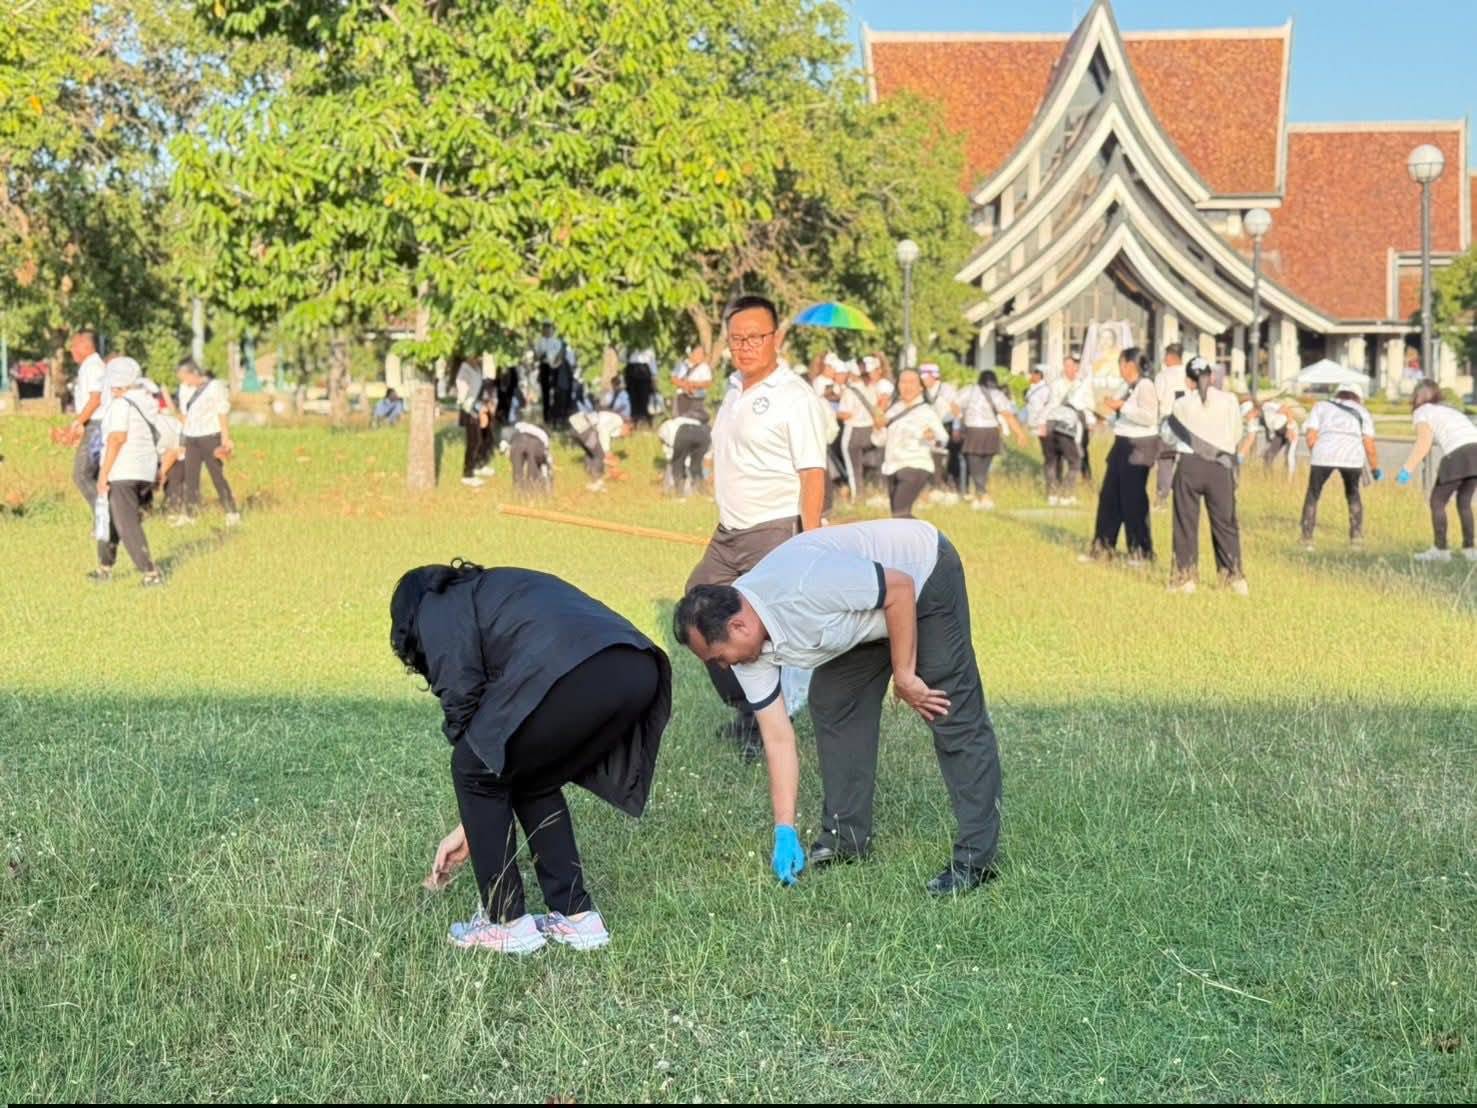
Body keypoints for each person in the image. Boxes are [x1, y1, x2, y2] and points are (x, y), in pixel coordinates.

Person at [674, 519, 1003, 895]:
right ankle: (845, 841)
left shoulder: (803, 585)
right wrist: (784, 830)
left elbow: (899, 588)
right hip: (863, 615)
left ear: (739, 626)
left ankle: (976, 861)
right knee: (834, 702)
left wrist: (905, 674)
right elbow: (778, 738)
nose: (723, 667)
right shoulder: (746, 648)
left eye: (719, 658)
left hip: (921, 579)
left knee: (948, 709)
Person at [393, 562, 671, 954]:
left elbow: (465, 705)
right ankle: (577, 917)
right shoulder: (488, 589)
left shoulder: (436, 605)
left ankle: (505, 921)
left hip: (577, 667)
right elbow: (503, 754)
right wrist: (474, 824)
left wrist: (476, 812)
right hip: (637, 668)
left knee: (470, 766)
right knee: (530, 776)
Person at [684, 294, 828, 759]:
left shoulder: (794, 397)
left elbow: (812, 472)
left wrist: (810, 541)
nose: (745, 347)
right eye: (737, 339)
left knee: (757, 631)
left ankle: (769, 725)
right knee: (697, 613)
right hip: (729, 531)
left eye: (755, 337)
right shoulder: (732, 389)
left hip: (774, 530)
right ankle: (748, 707)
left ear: (776, 338)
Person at [1164, 356, 1247, 595]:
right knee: (1225, 523)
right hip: (1220, 466)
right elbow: (1236, 433)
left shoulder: (1181, 403)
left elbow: (1169, 437)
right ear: (1211, 377)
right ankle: (1233, 577)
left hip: (1189, 465)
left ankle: (1185, 577)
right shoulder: (1229, 400)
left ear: (1189, 381)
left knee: (1185, 523)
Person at [1084, 347, 1159, 563]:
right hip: (1122, 443)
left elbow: (1149, 417)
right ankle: (1103, 547)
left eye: (1121, 364)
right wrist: (1106, 413)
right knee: (1109, 497)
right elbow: (1125, 417)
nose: (1120, 369)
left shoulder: (1146, 385)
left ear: (1129, 365)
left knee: (1133, 500)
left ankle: (1141, 551)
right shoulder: (1127, 387)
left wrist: (1122, 406)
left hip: (1138, 447)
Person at [93, 358, 164, 587]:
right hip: (145, 469)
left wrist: (103, 474)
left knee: (126, 524)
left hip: (123, 469)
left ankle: (151, 574)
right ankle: (105, 567)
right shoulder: (147, 401)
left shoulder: (121, 404)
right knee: (113, 519)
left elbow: (117, 438)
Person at [1397, 379, 1477, 562]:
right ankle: (1470, 550)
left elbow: (1423, 443)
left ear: (1418, 396)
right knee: (1464, 502)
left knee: (1437, 501)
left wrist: (1407, 469)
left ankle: (1440, 550)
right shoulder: (1450, 409)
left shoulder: (1422, 411)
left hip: (1458, 453)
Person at [1300, 382, 1380, 551]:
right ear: (1358, 397)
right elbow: (1369, 444)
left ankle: (1307, 540)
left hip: (1323, 454)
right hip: (1352, 457)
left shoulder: (1321, 406)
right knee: (1353, 495)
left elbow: (1311, 435)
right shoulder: (1362, 411)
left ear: (1338, 394)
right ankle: (1356, 540)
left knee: (1313, 495)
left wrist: (1317, 453)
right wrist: (1375, 469)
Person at [175, 358, 241, 526]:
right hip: (191, 437)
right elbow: (184, 416)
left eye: (185, 377)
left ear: (194, 373)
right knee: (190, 478)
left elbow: (222, 412)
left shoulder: (215, 387)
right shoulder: (184, 389)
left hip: (210, 436)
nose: (185, 382)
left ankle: (231, 512)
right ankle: (190, 515)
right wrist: (182, 441)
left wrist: (225, 438)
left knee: (217, 475)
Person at [878, 368, 948, 519]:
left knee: (900, 513)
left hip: (916, 465)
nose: (907, 386)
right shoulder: (893, 410)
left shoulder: (926, 411)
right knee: (900, 517)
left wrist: (931, 437)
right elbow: (880, 441)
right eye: (903, 382)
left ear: (921, 387)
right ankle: (921, 534)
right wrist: (877, 428)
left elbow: (943, 439)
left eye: (912, 382)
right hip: (892, 466)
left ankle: (932, 534)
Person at [955, 370, 1024, 510]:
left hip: (973, 431)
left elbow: (954, 404)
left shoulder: (969, 390)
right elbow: (1008, 415)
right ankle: (982, 494)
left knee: (974, 465)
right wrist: (1019, 433)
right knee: (984, 467)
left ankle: (981, 494)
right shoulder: (998, 394)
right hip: (991, 432)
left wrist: (960, 419)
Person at [63, 330, 108, 508]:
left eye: (74, 345)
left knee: (81, 474)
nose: (71, 350)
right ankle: (107, 516)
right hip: (94, 424)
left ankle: (106, 515)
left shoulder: (93, 366)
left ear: (86, 345)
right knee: (93, 474)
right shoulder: (89, 366)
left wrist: (78, 422)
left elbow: (96, 399)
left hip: (97, 426)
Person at [1042, 359, 1093, 506]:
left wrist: (1090, 422)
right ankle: (1058, 494)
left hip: (1075, 422)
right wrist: (1043, 422)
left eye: (1071, 366)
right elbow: (1051, 403)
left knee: (1076, 458)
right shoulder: (1057, 384)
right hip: (1060, 422)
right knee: (1056, 459)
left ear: (1077, 367)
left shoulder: (1081, 384)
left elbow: (1089, 405)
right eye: (1065, 366)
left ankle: (1062, 493)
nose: (1067, 368)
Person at [837, 361, 879, 501]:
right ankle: (870, 491)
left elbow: (846, 414)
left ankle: (857, 497)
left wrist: (833, 413)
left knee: (853, 468)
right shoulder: (871, 388)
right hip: (869, 431)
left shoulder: (849, 391)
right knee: (864, 465)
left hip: (853, 431)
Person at [1153, 343, 1188, 508]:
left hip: (1168, 422)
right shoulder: (1190, 375)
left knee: (1165, 460)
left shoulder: (1163, 376)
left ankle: (1162, 498)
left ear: (1170, 356)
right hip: (1188, 422)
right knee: (1185, 461)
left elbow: (1156, 399)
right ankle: (1183, 496)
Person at [567, 406, 630, 492]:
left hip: (576, 428)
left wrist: (611, 464)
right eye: (629, 431)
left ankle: (593, 480)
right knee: (600, 454)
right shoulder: (618, 421)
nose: (626, 435)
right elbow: (603, 430)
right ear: (627, 425)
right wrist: (607, 452)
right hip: (584, 427)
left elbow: (602, 434)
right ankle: (598, 484)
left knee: (591, 453)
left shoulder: (611, 421)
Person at [455, 357, 490, 488]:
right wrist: (476, 411)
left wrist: (482, 407)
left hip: (476, 407)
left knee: (480, 439)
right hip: (469, 409)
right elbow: (463, 397)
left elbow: (478, 391)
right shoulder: (464, 370)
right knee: (473, 441)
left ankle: (476, 466)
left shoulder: (478, 368)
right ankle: (467, 474)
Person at [659, 412, 711, 497]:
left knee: (677, 464)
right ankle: (701, 493)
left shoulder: (665, 426)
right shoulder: (704, 427)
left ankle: (679, 494)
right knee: (696, 466)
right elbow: (707, 458)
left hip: (684, 431)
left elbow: (669, 445)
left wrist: (673, 458)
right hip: (701, 433)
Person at [508, 420, 552, 493]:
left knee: (517, 471)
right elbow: (547, 456)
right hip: (534, 442)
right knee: (533, 465)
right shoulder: (543, 434)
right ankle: (532, 491)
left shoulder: (521, 426)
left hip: (517, 441)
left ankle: (518, 492)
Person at [1259, 397, 1299, 476]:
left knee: (1289, 455)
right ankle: (1268, 479)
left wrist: (1290, 429)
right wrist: (1267, 446)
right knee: (1268, 455)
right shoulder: (1261, 417)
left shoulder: (1267, 405)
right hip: (1279, 433)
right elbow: (1268, 432)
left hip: (1289, 428)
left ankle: (1289, 480)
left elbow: (1287, 410)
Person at [534, 324, 565, 424]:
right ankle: (546, 417)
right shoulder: (539, 342)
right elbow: (536, 357)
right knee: (545, 393)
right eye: (545, 329)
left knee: (556, 393)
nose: (547, 331)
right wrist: (541, 356)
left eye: (549, 329)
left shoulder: (557, 342)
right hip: (544, 367)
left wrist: (555, 364)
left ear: (552, 331)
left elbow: (560, 357)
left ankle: (556, 416)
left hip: (555, 368)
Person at [673, 346, 713, 419]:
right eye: (697, 353)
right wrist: (685, 385)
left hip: (697, 398)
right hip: (682, 397)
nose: (699, 356)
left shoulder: (704, 367)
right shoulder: (682, 363)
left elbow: (708, 383)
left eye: (701, 354)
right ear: (692, 353)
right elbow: (674, 378)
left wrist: (694, 385)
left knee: (696, 420)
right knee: (681, 419)